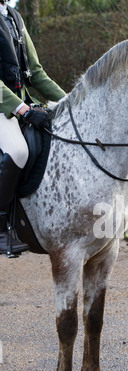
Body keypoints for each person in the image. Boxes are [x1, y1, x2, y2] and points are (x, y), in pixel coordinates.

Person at [0, 0, 66, 254]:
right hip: (4, 106)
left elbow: (35, 73)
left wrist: (70, 101)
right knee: (18, 150)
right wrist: (22, 109)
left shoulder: (14, 17)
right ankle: (1, 228)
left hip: (22, 101)